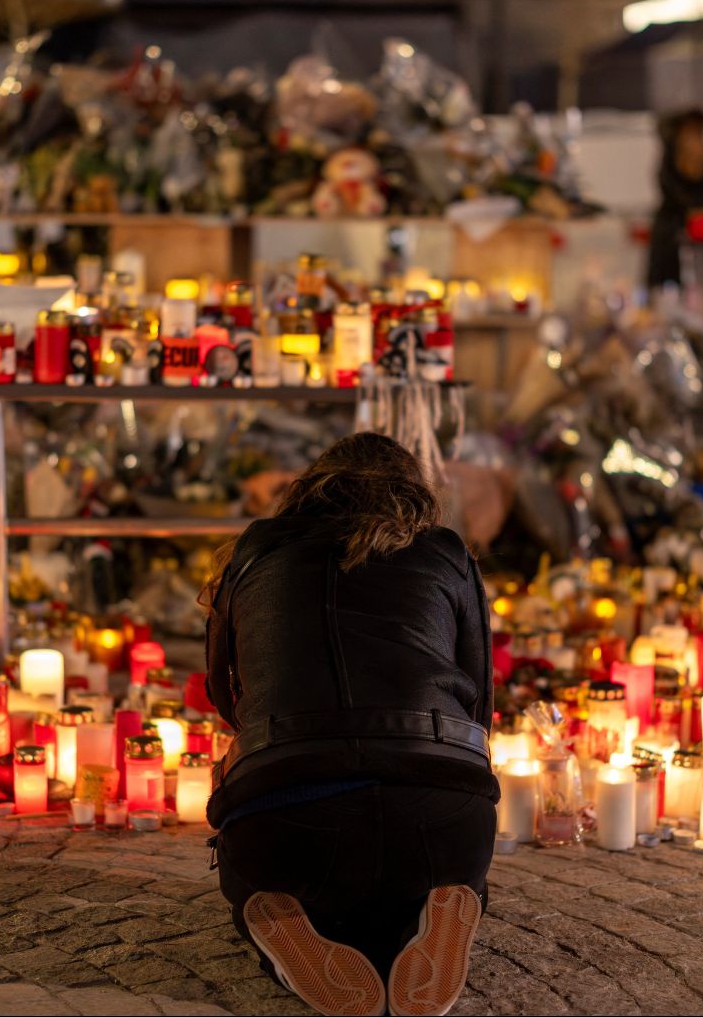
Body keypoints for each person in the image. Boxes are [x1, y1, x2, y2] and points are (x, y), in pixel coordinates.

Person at [203, 432, 496, 1017]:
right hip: (443, 817)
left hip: (285, 813)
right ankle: (437, 910)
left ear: (311, 487)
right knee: (415, 870)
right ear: (416, 495)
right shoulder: (447, 552)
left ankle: (290, 923)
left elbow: (221, 695)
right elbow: (481, 704)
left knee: (272, 881)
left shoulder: (254, 550)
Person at [646, 108, 703, 291]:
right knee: (670, 283)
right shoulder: (673, 154)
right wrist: (694, 207)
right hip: (673, 229)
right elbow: (671, 189)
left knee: (696, 283)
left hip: (695, 230)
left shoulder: (702, 157)